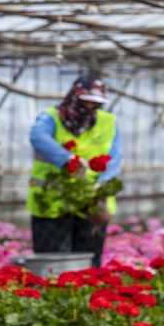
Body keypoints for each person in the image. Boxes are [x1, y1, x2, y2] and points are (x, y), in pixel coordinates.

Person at [26, 74, 123, 268]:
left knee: (89, 263)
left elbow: (115, 157)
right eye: (84, 102)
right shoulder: (51, 117)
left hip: (91, 203)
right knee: (52, 263)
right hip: (52, 202)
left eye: (95, 103)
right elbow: (38, 137)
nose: (88, 108)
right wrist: (67, 160)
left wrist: (99, 185)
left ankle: (88, 298)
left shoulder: (108, 122)